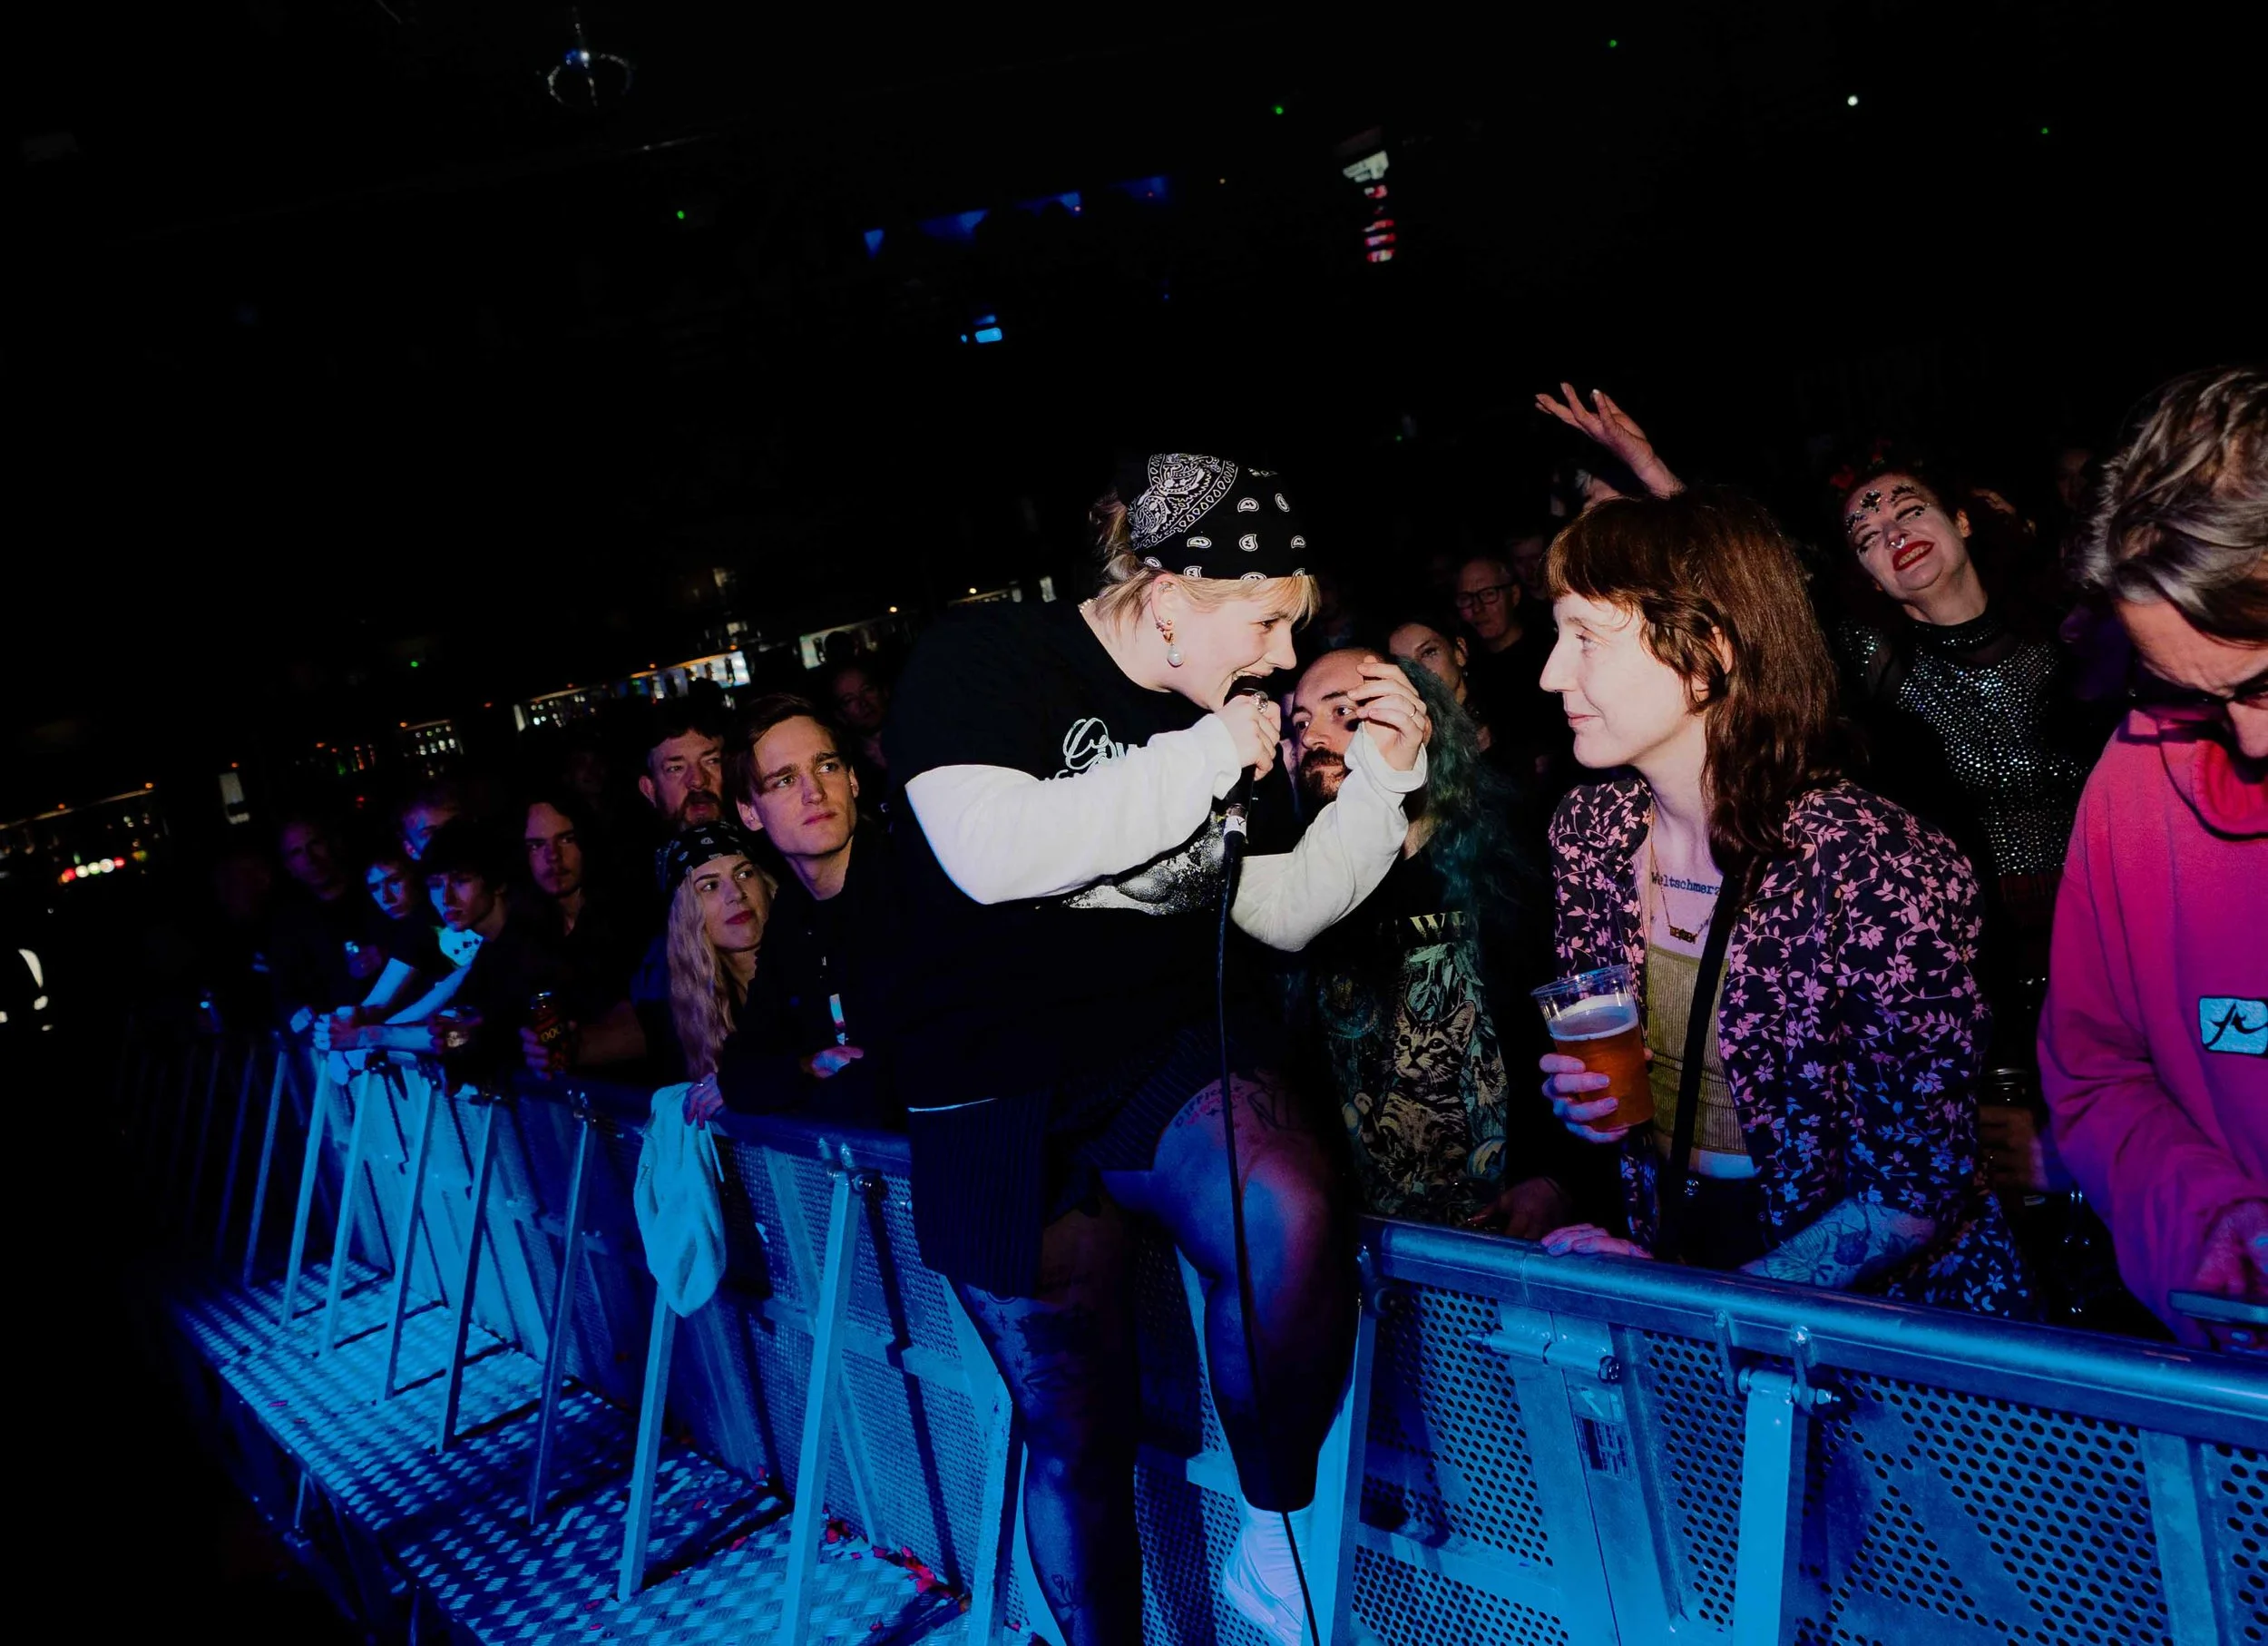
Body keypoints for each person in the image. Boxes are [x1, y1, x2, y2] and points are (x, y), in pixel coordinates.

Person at [885, 453, 1431, 1646]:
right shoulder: (985, 657)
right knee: (1080, 1431)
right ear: (1173, 597)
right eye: (1268, 619)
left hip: (1150, 1053)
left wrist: (1379, 790)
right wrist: (1200, 759)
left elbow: (1272, 909)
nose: (1286, 656)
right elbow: (992, 851)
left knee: (1287, 1206)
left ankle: (1271, 1540)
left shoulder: (1212, 715)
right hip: (996, 1091)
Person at [1532, 487, 2030, 1315]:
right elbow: (1627, 1085)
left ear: (1709, 650)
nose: (1553, 674)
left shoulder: (1870, 862)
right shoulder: (1592, 829)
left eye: (1585, 637)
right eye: (1557, 635)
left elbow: (1915, 1191)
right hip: (1679, 1244)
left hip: (1878, 1324)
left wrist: (1704, 1300)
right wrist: (1585, 1103)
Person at [2040, 364, 2268, 1351]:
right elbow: (2094, 1077)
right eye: (2193, 692)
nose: (2246, 741)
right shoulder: (2135, 787)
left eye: (2259, 681)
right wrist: (2211, 1226)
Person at [1284, 647, 1589, 1234]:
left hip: (1518, 1234)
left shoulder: (1513, 872)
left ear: (1418, 725)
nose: (1314, 735)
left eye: (1344, 712)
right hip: (1379, 1249)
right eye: (1300, 724)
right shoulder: (1294, 902)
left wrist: (1558, 1179)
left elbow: (1580, 1041)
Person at [683, 696, 899, 1127]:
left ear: (853, 780)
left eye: (827, 767)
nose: (814, 792)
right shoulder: (794, 911)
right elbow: (743, 1066)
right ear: (749, 812)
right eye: (784, 780)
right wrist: (809, 1066)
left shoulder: (910, 879)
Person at [515, 792, 649, 1079]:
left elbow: (652, 1019)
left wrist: (581, 1045)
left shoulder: (630, 915)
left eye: (566, 839)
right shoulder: (527, 928)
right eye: (537, 845)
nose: (553, 856)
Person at [654, 823, 773, 1083]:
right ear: (686, 914)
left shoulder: (814, 969)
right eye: (710, 886)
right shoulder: (697, 1008)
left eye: (744, 875)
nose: (736, 895)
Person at [1452, 552, 1565, 783]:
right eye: (1466, 598)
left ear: (1513, 595)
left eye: (1488, 594)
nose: (1478, 608)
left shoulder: (1551, 655)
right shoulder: (1465, 667)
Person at [267, 811, 384, 1032]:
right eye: (296, 852)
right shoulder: (288, 923)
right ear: (289, 867)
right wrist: (297, 1014)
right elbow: (284, 993)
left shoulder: (378, 891)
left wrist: (385, 955)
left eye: (315, 844)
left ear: (335, 844)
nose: (309, 858)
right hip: (333, 1039)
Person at [821, 659, 893, 793]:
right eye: (849, 700)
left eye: (867, 690)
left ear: (884, 691)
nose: (862, 703)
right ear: (840, 715)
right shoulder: (848, 768)